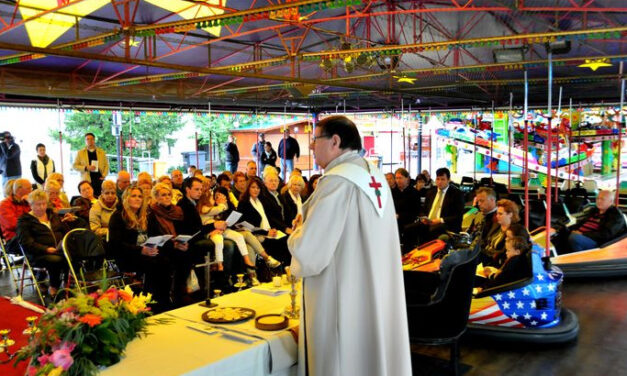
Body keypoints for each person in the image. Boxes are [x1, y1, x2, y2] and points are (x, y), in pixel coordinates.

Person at [287, 115, 411, 376]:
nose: (311, 147)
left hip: (342, 294)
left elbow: (309, 253)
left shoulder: (336, 182)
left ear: (335, 141)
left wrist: (296, 232)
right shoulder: (373, 174)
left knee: (344, 359)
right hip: (374, 286)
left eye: (315, 140)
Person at [108, 184, 174, 313]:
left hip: (146, 252)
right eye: (134, 196)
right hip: (127, 256)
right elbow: (116, 245)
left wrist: (160, 243)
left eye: (140, 196)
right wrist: (140, 250)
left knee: (166, 260)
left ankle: (163, 301)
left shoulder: (146, 215)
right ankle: (148, 303)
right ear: (126, 198)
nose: (138, 199)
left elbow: (155, 235)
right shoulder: (118, 217)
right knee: (154, 265)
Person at [147, 183, 203, 306]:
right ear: (156, 197)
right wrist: (173, 245)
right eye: (163, 195)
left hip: (175, 244)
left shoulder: (177, 211)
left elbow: (182, 231)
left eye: (168, 195)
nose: (167, 197)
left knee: (188, 253)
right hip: (160, 247)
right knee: (169, 259)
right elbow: (153, 235)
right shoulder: (152, 213)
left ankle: (180, 291)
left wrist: (183, 242)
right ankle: (168, 296)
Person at [17, 190, 74, 297]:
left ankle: (68, 282)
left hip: (58, 250)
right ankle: (54, 285)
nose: (42, 207)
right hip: (37, 253)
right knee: (56, 260)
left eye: (44, 203)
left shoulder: (53, 215)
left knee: (73, 254)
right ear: (31, 204)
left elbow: (65, 231)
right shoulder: (24, 221)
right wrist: (46, 249)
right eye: (38, 204)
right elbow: (26, 242)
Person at [403, 167, 465, 250]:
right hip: (429, 222)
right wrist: (423, 217)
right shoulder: (431, 192)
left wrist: (440, 220)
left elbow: (457, 216)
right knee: (408, 229)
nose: (439, 182)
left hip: (445, 224)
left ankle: (426, 252)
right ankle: (408, 255)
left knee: (432, 230)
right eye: (438, 179)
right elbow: (423, 210)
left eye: (443, 179)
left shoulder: (456, 194)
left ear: (448, 180)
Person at [478, 223, 532, 290]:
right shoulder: (512, 253)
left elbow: (501, 280)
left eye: (509, 237)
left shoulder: (514, 260)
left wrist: (484, 285)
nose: (506, 239)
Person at [482, 199, 520, 267]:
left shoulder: (514, 232)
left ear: (510, 215)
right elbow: (486, 241)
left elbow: (503, 253)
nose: (497, 216)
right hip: (484, 258)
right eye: (497, 213)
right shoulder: (496, 226)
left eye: (500, 214)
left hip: (495, 263)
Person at [0, 178, 32, 254]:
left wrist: (31, 203)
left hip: (29, 234)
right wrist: (33, 224)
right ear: (19, 190)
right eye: (29, 188)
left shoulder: (28, 202)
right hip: (13, 239)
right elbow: (12, 224)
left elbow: (40, 217)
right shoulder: (4, 205)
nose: (31, 190)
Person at [73, 132, 109, 197]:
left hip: (99, 179)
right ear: (85, 141)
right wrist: (86, 168)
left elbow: (106, 165)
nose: (90, 141)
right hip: (87, 180)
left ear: (94, 140)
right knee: (87, 198)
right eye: (87, 139)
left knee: (99, 197)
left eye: (91, 139)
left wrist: (104, 175)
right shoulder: (80, 153)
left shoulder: (101, 152)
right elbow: (75, 166)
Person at [392, 168, 421, 235]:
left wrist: (399, 216)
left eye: (400, 178)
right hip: (393, 219)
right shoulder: (392, 192)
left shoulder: (414, 192)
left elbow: (415, 211)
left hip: (408, 220)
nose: (398, 180)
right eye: (396, 178)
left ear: (407, 178)